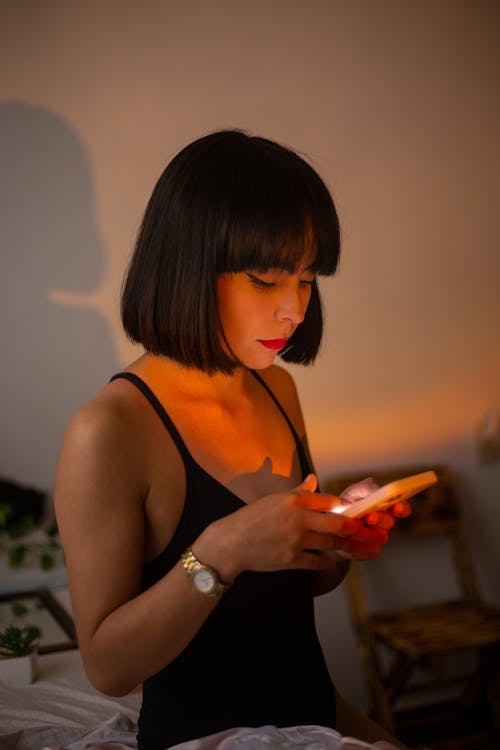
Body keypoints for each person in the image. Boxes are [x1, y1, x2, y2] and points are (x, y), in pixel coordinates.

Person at [55, 130, 411, 750]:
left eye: (306, 280)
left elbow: (294, 589)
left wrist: (339, 539)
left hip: (316, 716)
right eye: (265, 280)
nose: (295, 311)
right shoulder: (109, 430)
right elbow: (108, 668)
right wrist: (221, 550)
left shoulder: (277, 389)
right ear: (188, 266)